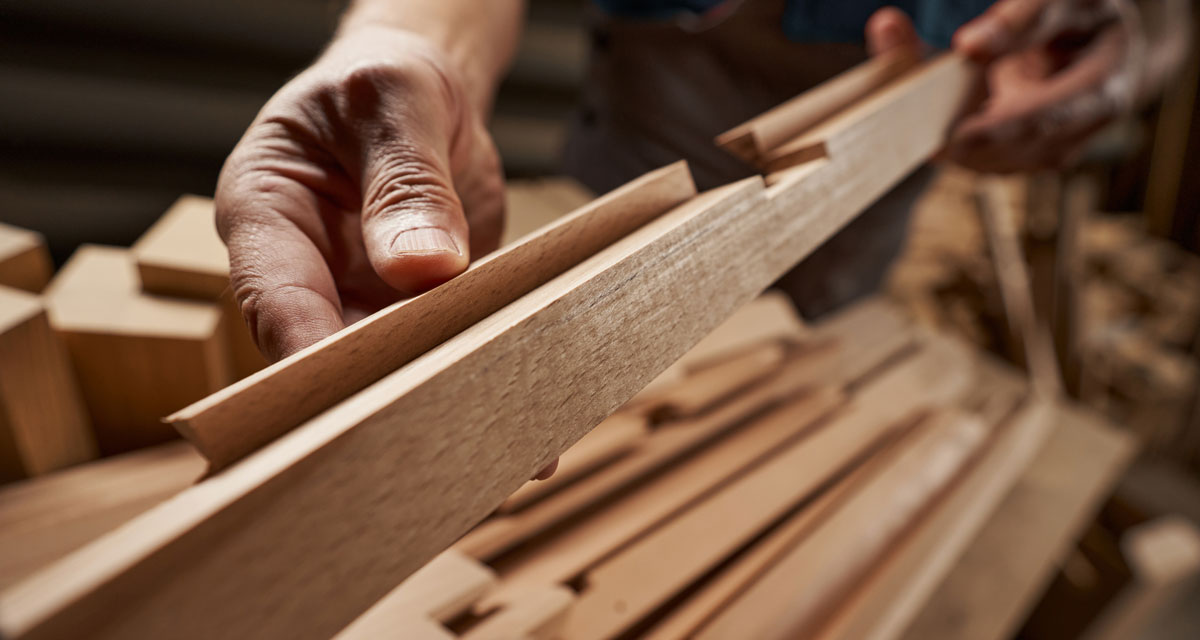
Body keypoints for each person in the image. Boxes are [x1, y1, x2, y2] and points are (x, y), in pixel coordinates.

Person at [215, 0, 1180, 363]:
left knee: (806, 354)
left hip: (903, 136)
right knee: (587, 345)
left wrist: (1142, 34)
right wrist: (409, 43)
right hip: (658, 104)